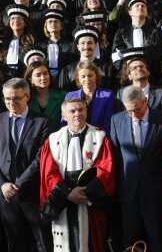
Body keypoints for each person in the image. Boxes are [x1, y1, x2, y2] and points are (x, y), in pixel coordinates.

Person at [39, 97, 114, 252]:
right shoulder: (53, 140)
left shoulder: (100, 138)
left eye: (81, 110)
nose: (77, 114)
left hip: (89, 201)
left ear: (86, 112)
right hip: (63, 201)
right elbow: (49, 173)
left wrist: (84, 193)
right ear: (63, 115)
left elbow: (105, 169)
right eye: (72, 111)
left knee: (92, 243)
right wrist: (67, 194)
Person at [109, 85, 162, 252]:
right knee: (129, 240)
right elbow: (115, 156)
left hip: (153, 190)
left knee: (157, 238)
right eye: (129, 111)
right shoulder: (117, 120)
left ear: (146, 101)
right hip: (128, 191)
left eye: (137, 110)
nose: (133, 115)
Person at [0, 78, 52, 251]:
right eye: (7, 99)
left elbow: (41, 159)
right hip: (5, 195)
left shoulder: (43, 122)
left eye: (16, 98)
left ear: (27, 96)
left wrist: (18, 186)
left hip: (33, 194)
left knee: (41, 242)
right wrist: (4, 185)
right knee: (15, 243)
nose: (11, 103)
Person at [65, 61, 114, 133]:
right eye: (83, 76)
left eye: (90, 75)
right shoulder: (70, 96)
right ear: (78, 78)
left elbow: (108, 124)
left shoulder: (108, 95)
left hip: (98, 137)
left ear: (96, 76)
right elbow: (65, 121)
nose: (87, 79)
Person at [24, 60, 67, 131]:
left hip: (56, 139)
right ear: (31, 80)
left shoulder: (63, 95)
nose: (43, 78)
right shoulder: (26, 99)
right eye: (38, 75)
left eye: (45, 73)